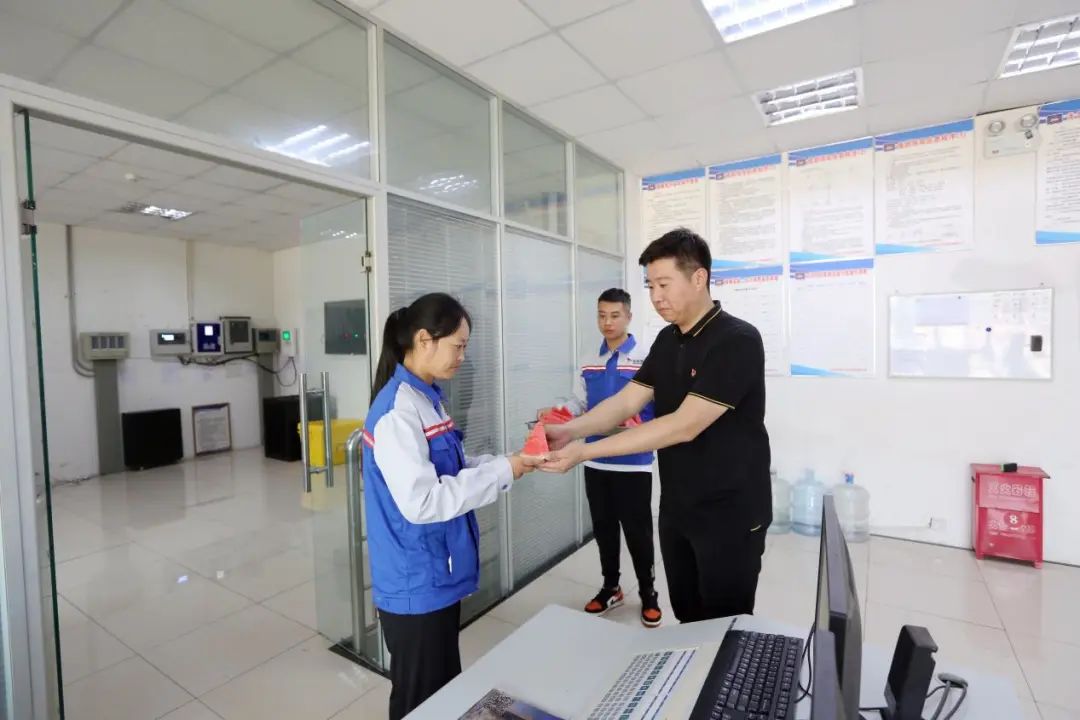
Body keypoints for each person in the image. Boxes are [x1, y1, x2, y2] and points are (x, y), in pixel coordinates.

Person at [540, 228, 771, 624]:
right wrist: (569, 430)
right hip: (677, 506)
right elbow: (626, 401)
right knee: (686, 614)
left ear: (698, 278)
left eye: (664, 284)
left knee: (723, 623)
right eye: (650, 286)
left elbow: (683, 425)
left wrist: (585, 450)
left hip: (729, 512)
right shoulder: (668, 340)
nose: (656, 296)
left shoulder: (736, 340)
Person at [363, 293, 542, 719]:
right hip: (415, 581)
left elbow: (452, 468)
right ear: (424, 339)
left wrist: (510, 463)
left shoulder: (426, 398)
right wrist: (505, 471)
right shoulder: (397, 412)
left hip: (435, 575)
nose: (463, 357)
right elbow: (424, 501)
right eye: (458, 346)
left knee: (443, 691)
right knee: (419, 701)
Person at [537, 288, 661, 627]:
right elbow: (580, 403)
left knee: (637, 531)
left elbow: (661, 406)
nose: (607, 322)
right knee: (604, 528)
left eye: (615, 315)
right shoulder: (589, 358)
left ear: (629, 316)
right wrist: (558, 412)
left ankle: (648, 591)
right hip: (592, 458)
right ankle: (611, 587)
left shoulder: (647, 357)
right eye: (602, 315)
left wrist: (642, 422)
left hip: (634, 460)